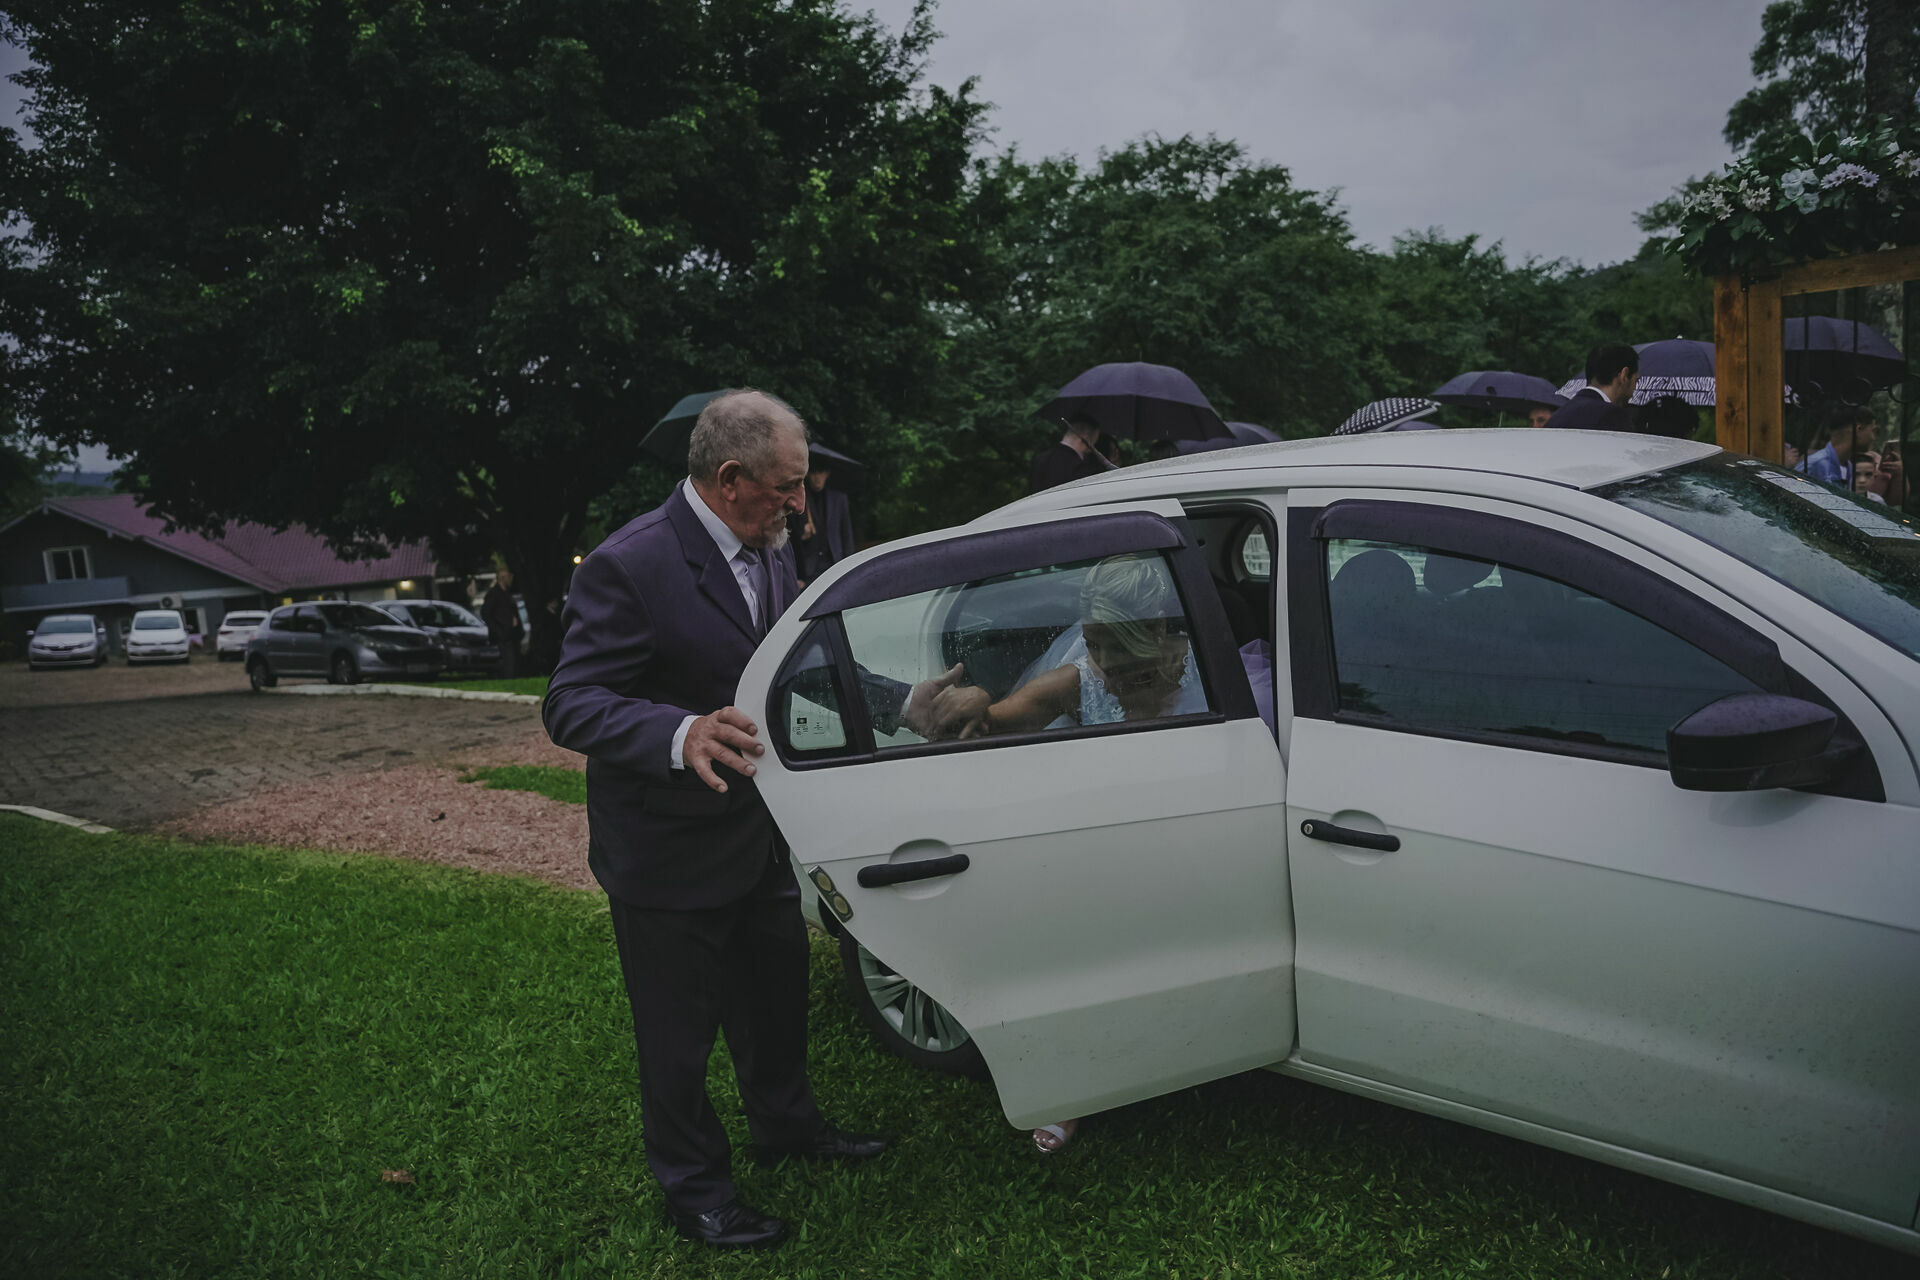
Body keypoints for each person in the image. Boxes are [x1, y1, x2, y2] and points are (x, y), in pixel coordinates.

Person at [544, 390, 918, 1250]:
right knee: (678, 1038)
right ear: (729, 478)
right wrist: (679, 732)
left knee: (774, 998)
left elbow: (796, 667)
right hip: (665, 850)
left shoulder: (775, 549)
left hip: (758, 836)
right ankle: (695, 1191)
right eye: (788, 488)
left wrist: (911, 705)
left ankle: (787, 1126)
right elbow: (571, 702)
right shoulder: (627, 563)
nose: (802, 504)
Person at [788, 454, 855, 587]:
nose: (817, 478)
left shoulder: (839, 499)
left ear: (827, 474)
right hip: (807, 572)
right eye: (814, 473)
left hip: (835, 565)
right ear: (807, 474)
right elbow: (791, 539)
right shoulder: (798, 499)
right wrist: (794, 576)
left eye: (821, 473)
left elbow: (846, 536)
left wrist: (850, 570)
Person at [1544, 345, 1638, 432]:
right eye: (1636, 380)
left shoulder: (1558, 415)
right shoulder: (1613, 416)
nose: (1634, 389)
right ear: (1624, 375)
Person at [1798, 403, 1877, 490]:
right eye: (1872, 431)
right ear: (1858, 429)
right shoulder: (1814, 466)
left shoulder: (1849, 468)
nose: (1873, 438)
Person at [1028, 412, 1111, 494]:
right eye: (1094, 441)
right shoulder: (1078, 466)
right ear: (1086, 437)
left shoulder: (1040, 458)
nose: (1094, 446)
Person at [481, 569, 523, 677]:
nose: (510, 580)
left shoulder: (507, 593)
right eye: (508, 577)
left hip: (512, 632)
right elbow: (486, 613)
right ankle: (509, 678)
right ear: (502, 578)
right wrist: (498, 629)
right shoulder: (494, 594)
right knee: (508, 660)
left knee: (515, 659)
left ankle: (514, 677)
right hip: (503, 633)